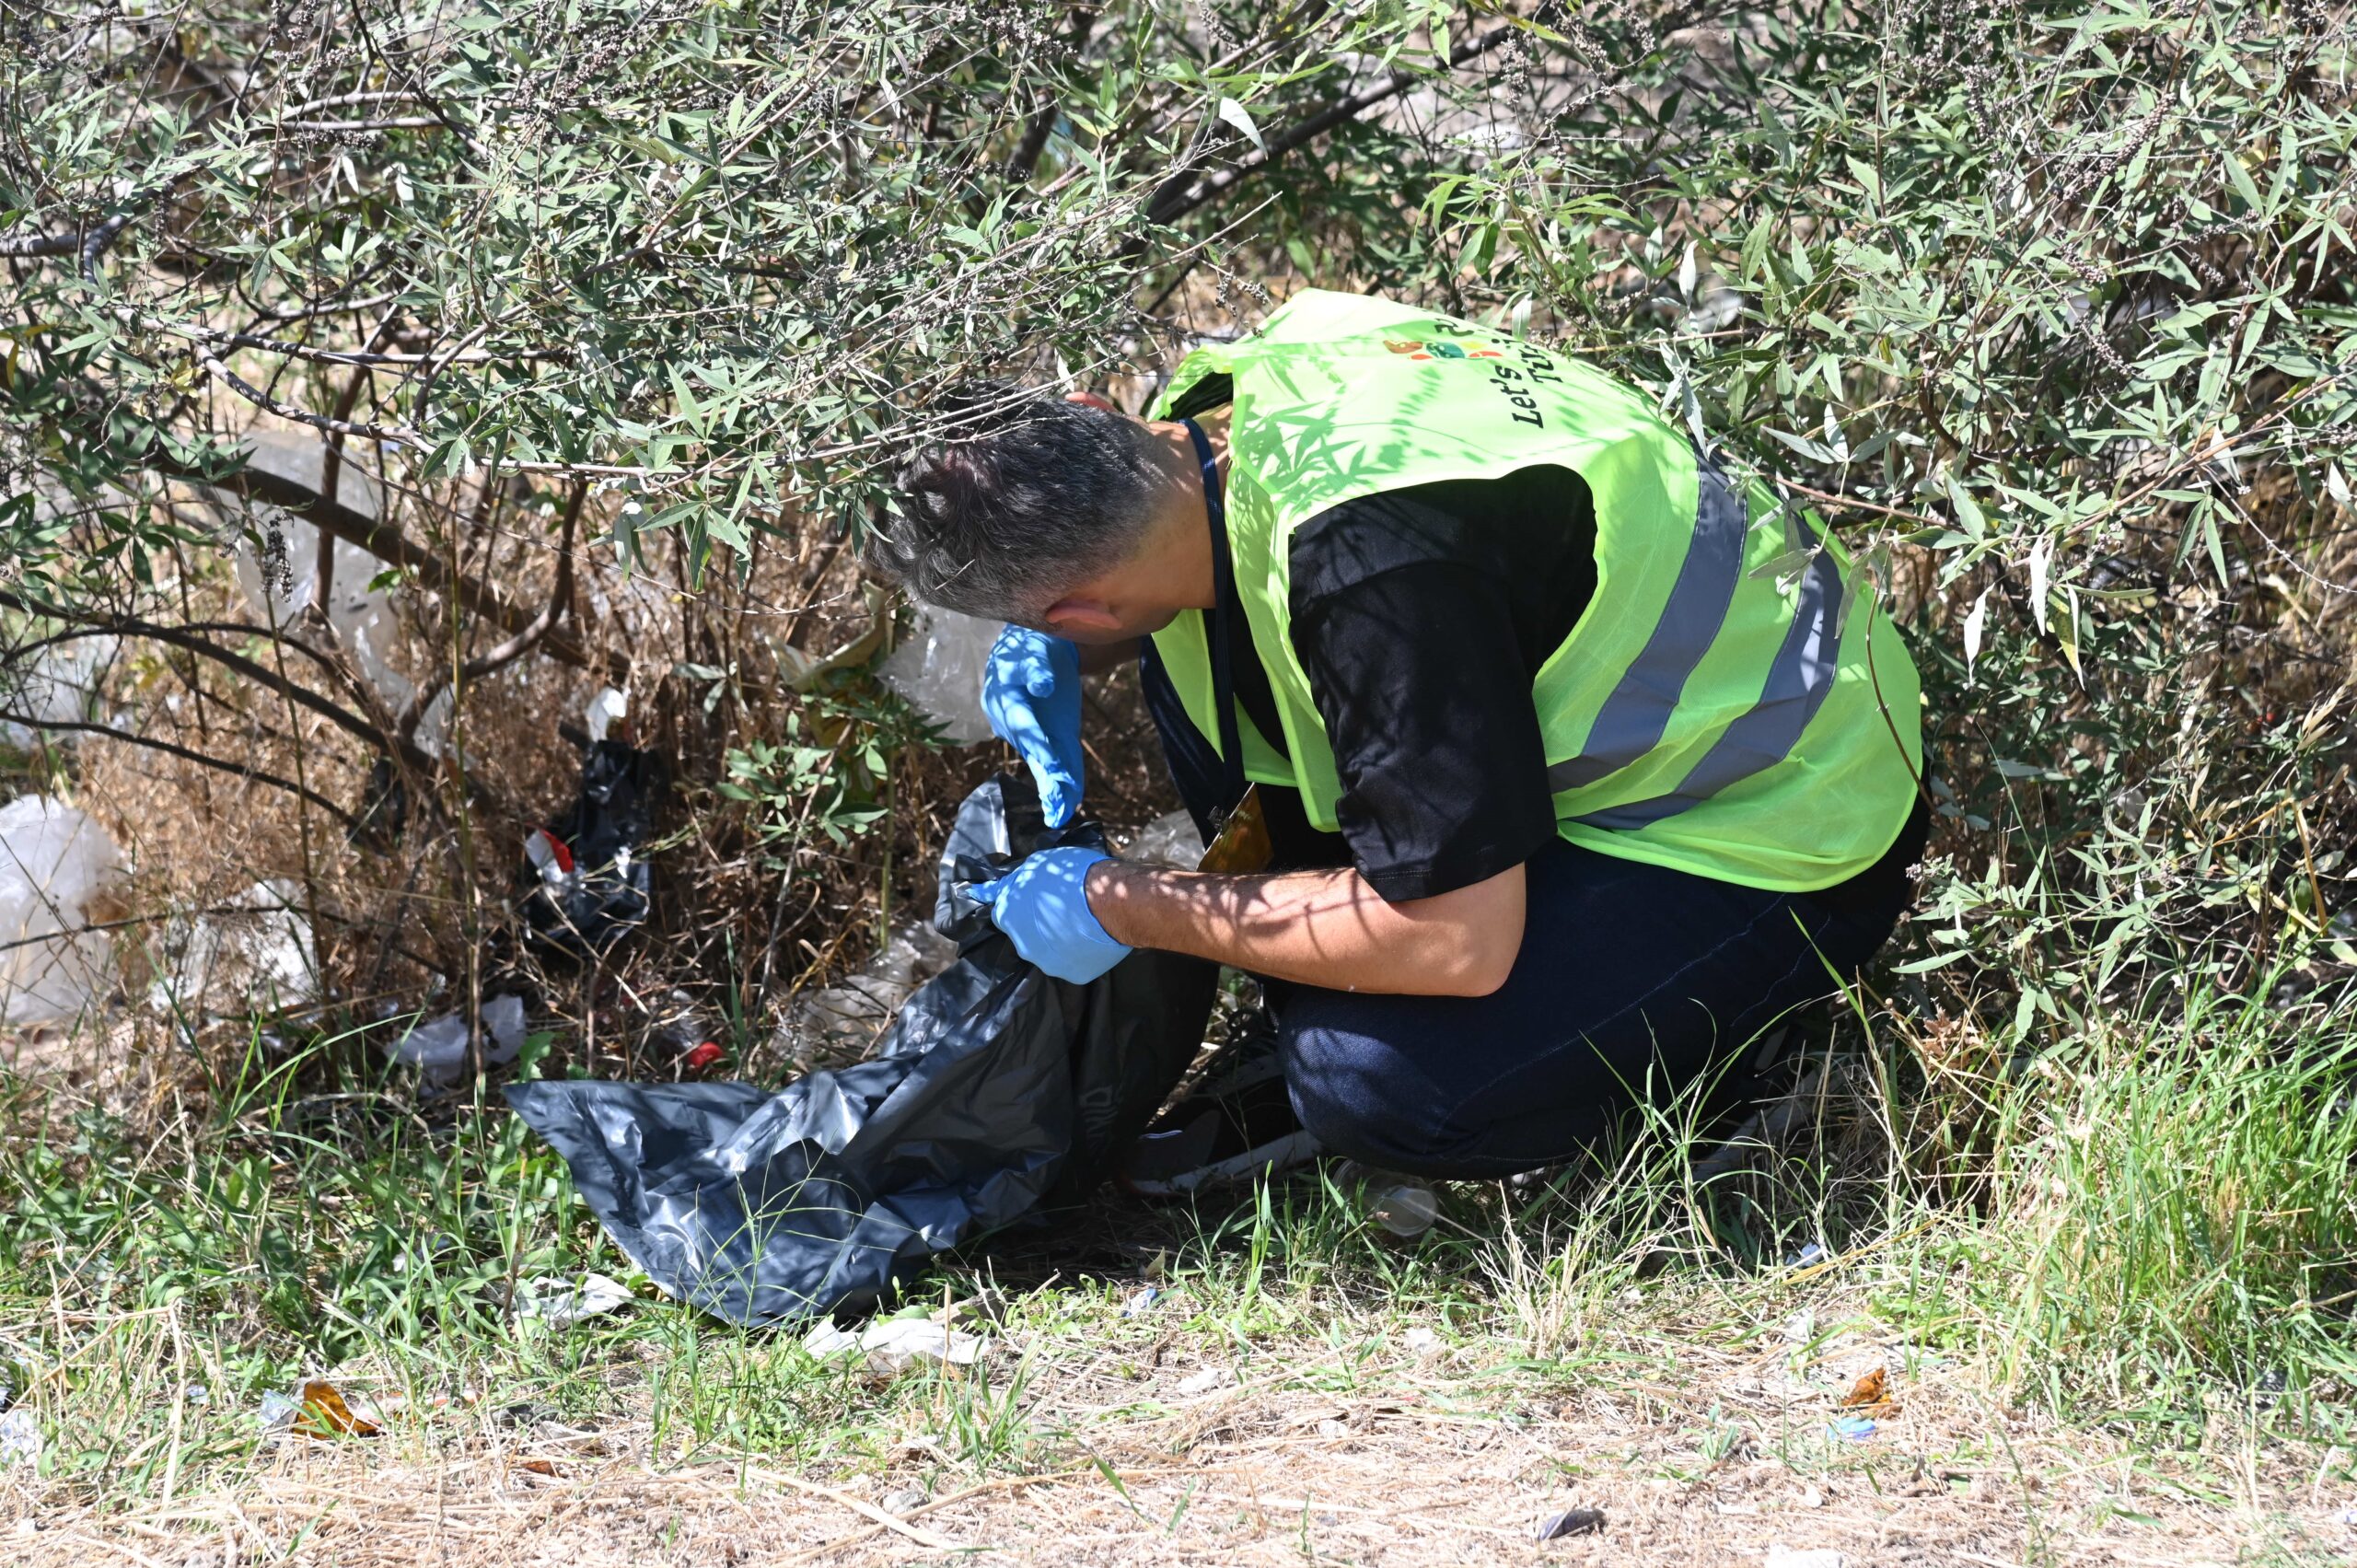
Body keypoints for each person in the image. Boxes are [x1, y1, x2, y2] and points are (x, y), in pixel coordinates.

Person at [864, 289, 1926, 1191]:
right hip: (1665, 691)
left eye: (1039, 625)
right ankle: (1366, 971)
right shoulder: (1240, 388)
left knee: (1377, 1084)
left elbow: (1458, 944)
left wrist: (1129, 903)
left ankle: (1739, 1051)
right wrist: (1066, 649)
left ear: (1076, 609)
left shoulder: (1373, 586)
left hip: (1776, 809)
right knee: (1190, 662)